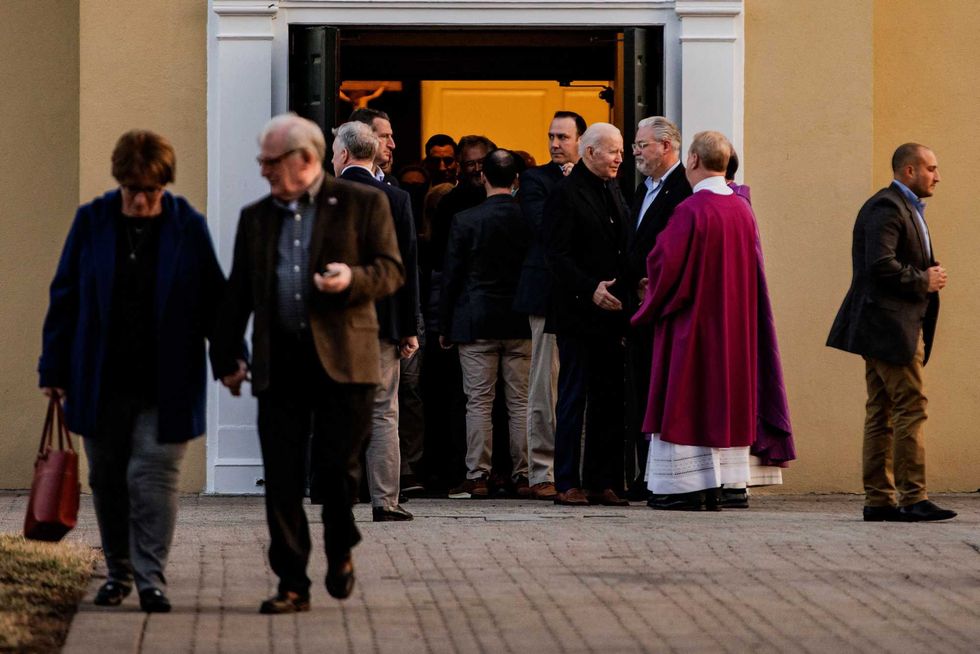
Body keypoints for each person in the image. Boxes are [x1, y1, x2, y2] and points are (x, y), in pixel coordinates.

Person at [211, 113, 404, 612]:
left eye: (271, 162)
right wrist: (227, 353)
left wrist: (351, 280)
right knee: (281, 475)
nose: (263, 171)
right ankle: (292, 582)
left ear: (306, 160)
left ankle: (340, 546)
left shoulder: (362, 202)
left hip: (346, 360)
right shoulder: (256, 217)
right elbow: (238, 293)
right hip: (282, 362)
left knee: (338, 472)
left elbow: (390, 271)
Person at [38, 130, 226, 613]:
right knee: (107, 477)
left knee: (152, 475)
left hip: (168, 380)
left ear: (165, 186)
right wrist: (52, 369)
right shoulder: (92, 222)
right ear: (119, 183)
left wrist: (228, 360)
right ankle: (118, 572)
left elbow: (213, 301)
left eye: (152, 192)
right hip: (99, 379)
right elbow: (65, 299)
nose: (142, 201)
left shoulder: (187, 227)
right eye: (132, 191)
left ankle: (150, 579)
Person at [631, 131, 794, 511]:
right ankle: (726, 481)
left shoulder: (691, 210)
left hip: (692, 328)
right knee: (725, 398)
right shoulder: (742, 209)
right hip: (734, 328)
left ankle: (684, 487)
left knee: (688, 400)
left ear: (691, 160)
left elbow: (664, 264)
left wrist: (647, 291)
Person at [827, 142, 954, 522]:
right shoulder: (887, 206)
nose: (937, 176)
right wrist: (924, 279)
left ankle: (879, 499)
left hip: (889, 326)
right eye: (931, 168)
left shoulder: (903, 207)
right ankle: (912, 496)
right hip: (889, 328)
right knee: (910, 408)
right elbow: (879, 265)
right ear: (908, 171)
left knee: (881, 410)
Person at [331, 121, 420, 521]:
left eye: (334, 152)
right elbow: (406, 268)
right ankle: (385, 500)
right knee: (384, 410)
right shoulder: (397, 199)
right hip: (383, 321)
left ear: (345, 154)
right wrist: (408, 327)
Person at [545, 122, 631, 507]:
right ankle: (567, 481)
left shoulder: (614, 189)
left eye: (622, 152)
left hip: (612, 315)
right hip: (579, 313)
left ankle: (604, 479)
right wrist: (589, 288)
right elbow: (556, 256)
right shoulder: (564, 193)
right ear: (591, 151)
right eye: (613, 151)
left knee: (610, 398)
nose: (619, 158)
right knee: (574, 397)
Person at [440, 149, 532, 498]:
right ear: (517, 180)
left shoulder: (465, 220)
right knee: (520, 402)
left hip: (476, 320)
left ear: (482, 177)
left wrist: (446, 325)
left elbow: (452, 276)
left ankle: (477, 475)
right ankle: (524, 475)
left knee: (478, 401)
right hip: (520, 320)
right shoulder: (528, 218)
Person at [513, 110, 586, 501]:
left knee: (582, 385)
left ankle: (579, 469)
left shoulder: (601, 179)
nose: (555, 144)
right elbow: (546, 227)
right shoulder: (535, 179)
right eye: (551, 136)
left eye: (563, 137)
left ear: (581, 141)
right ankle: (542, 470)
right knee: (544, 385)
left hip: (588, 294)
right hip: (546, 293)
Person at [624, 116, 692, 501]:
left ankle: (660, 474)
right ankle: (643, 471)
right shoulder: (641, 189)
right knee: (640, 391)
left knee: (660, 391)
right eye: (635, 145)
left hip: (663, 307)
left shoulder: (684, 189)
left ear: (667, 147)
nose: (636, 151)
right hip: (638, 307)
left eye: (642, 145)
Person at [349, 107, 398, 185]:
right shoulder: (342, 184)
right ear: (362, 137)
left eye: (390, 136)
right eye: (384, 136)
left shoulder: (392, 184)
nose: (392, 145)